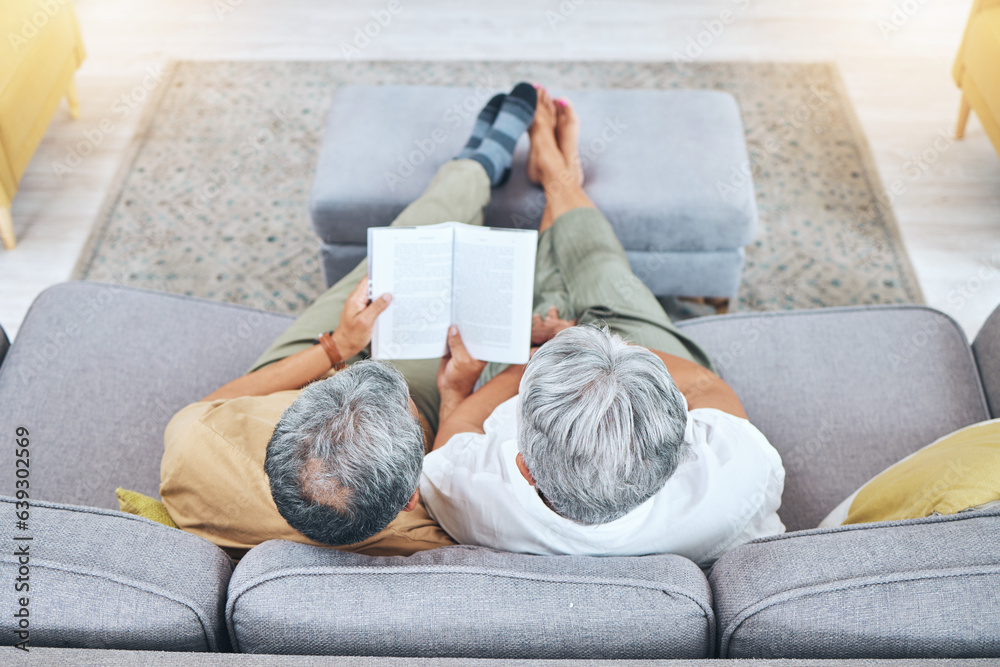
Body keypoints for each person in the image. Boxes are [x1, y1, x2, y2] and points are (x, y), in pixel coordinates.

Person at [160, 82, 541, 559]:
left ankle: (475, 165)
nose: (356, 371)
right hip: (401, 408)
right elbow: (448, 467)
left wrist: (338, 347)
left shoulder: (193, 453)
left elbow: (213, 408)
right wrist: (452, 393)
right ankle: (477, 168)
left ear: (280, 438)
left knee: (386, 269)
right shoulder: (426, 535)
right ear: (410, 499)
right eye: (401, 409)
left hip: (315, 367)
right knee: (457, 296)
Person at [419, 87, 787, 567]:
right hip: (638, 359)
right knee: (604, 270)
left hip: (547, 370)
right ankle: (558, 175)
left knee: (549, 294)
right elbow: (701, 385)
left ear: (524, 469)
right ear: (677, 452)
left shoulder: (469, 498)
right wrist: (586, 345)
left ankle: (557, 175)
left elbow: (459, 429)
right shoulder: (739, 480)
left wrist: (543, 352)